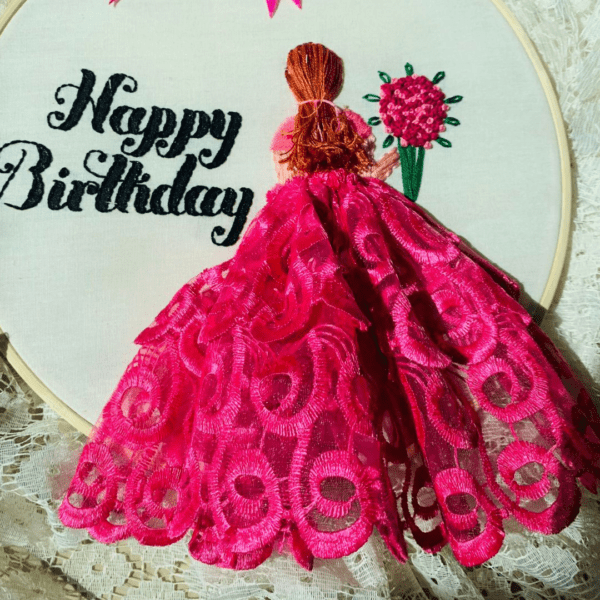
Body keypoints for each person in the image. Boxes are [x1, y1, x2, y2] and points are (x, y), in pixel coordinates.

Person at [59, 42, 600, 572]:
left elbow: (283, 177)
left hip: (296, 222)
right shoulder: (351, 125)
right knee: (393, 301)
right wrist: (371, 176)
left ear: (297, 85)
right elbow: (363, 167)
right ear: (333, 82)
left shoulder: (288, 133)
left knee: (294, 312)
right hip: (367, 213)